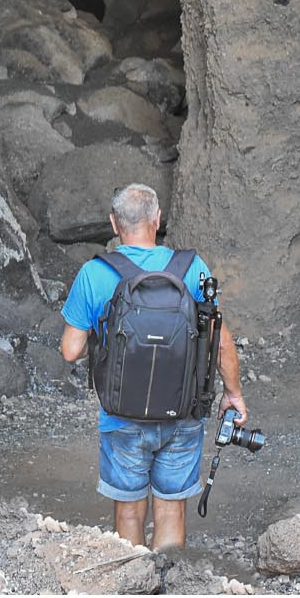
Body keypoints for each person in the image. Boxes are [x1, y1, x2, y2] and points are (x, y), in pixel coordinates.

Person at [58, 183, 246, 554]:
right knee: (172, 508)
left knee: (129, 512)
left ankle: (134, 583)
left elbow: (70, 350)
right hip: (182, 413)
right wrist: (234, 394)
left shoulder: (95, 274)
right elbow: (220, 339)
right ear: (158, 219)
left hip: (122, 416)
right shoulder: (192, 268)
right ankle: (170, 581)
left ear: (114, 224)